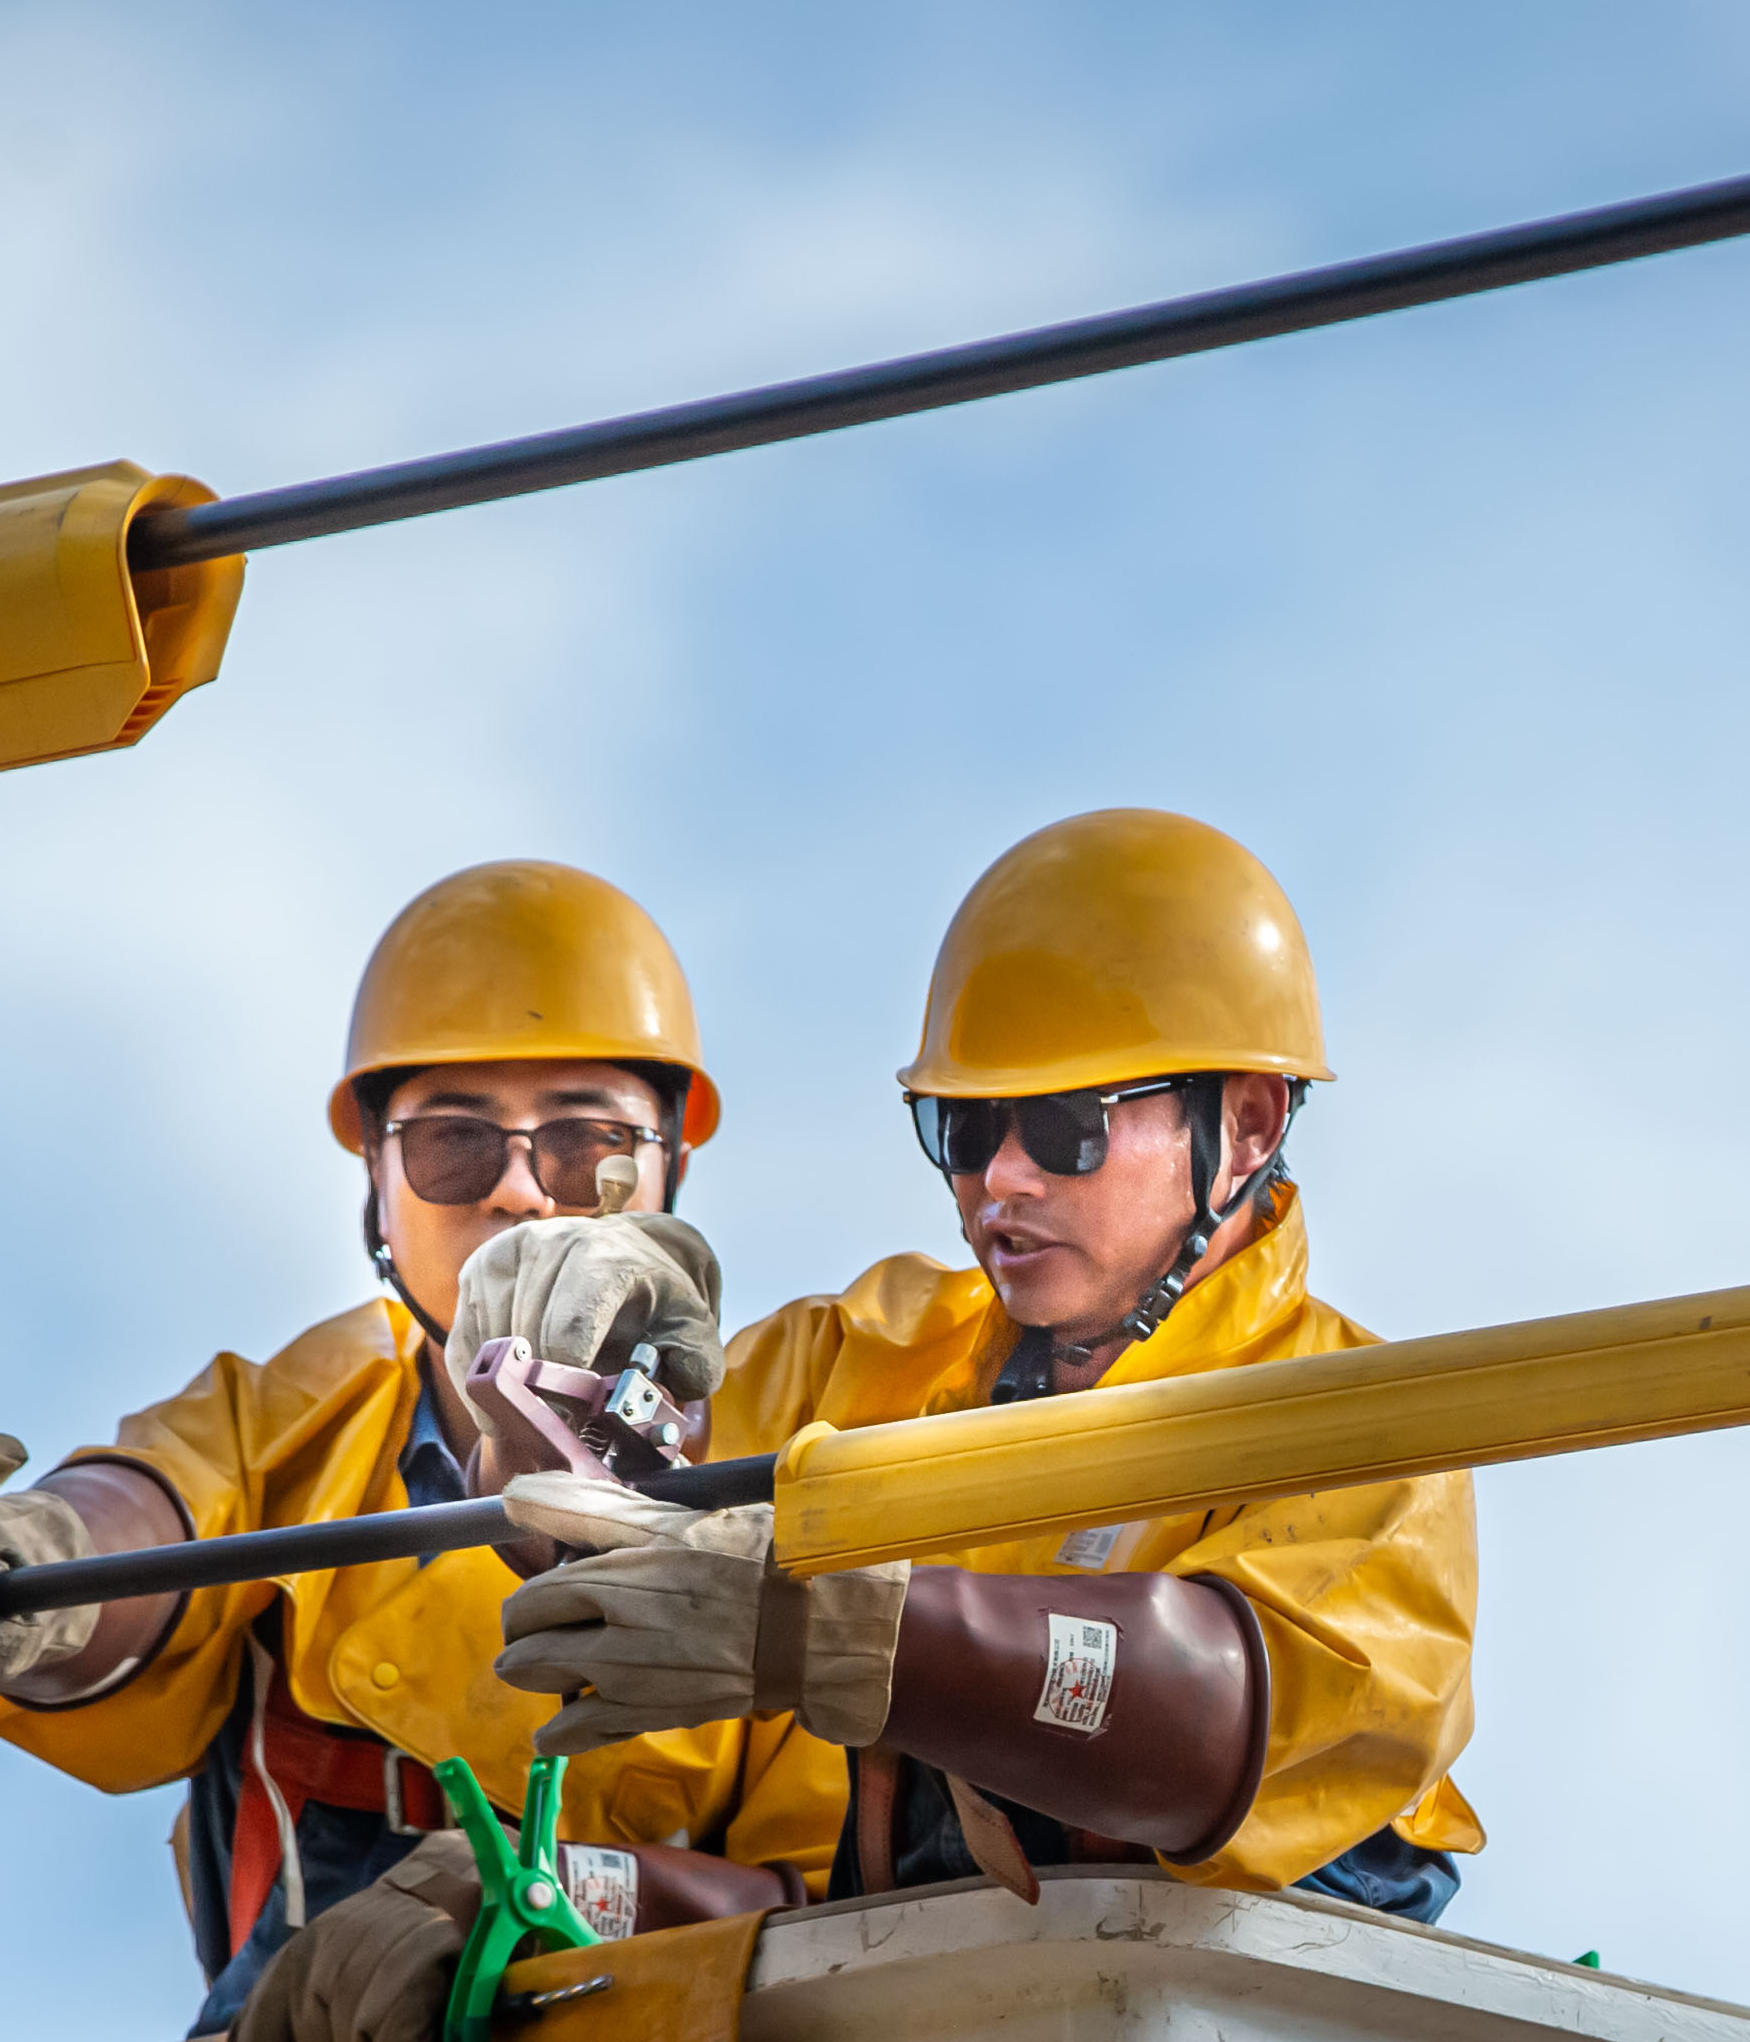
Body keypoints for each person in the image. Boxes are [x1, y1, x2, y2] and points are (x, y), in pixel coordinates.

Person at [0, 863, 786, 2042]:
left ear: (670, 1167)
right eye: (453, 1139)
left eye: (589, 1140)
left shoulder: (781, 1462)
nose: (522, 1189)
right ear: (375, 1177)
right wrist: (28, 1553)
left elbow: (826, 1893)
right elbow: (147, 1518)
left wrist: (522, 1897)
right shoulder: (306, 1421)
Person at [491, 806, 1483, 1919]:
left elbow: (1209, 1729)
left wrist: (849, 1635)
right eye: (963, 1129)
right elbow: (610, 1504)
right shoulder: (865, 1359)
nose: (1000, 1177)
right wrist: (552, 1388)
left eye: (1064, 1127)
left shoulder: (1364, 1434)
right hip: (940, 2037)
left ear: (1244, 1129)